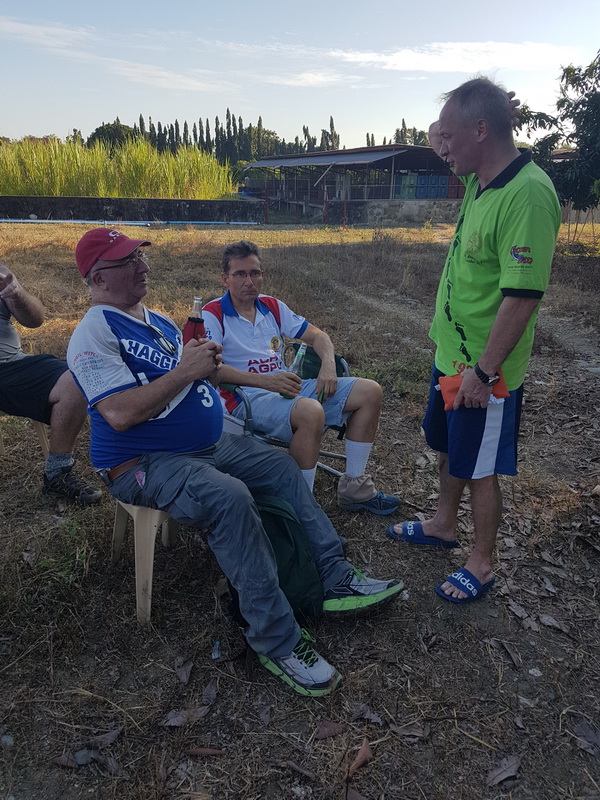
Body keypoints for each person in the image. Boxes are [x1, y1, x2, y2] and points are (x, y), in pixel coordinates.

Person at [67, 227, 404, 697]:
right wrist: (187, 371)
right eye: (128, 262)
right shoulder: (93, 332)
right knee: (230, 498)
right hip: (142, 461)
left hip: (203, 445)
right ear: (99, 277)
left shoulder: (159, 322)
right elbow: (119, 414)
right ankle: (276, 638)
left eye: (140, 257)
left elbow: (199, 375)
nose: (143, 266)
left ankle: (333, 575)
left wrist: (204, 368)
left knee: (280, 468)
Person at [388, 78, 561, 604]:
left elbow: (522, 298)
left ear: (481, 130)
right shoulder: (479, 177)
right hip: (451, 354)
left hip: (486, 369)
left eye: (450, 136)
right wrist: (453, 127)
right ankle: (444, 524)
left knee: (481, 468)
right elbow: (440, 135)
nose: (441, 147)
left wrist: (483, 374)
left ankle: (481, 563)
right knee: (448, 446)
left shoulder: (527, 194)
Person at [202, 240, 399, 514]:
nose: (249, 281)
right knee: (310, 411)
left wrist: (328, 365)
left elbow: (319, 336)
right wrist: (267, 381)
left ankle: (355, 488)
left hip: (286, 388)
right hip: (245, 397)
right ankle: (301, 507)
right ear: (225, 278)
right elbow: (210, 369)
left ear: (262, 275)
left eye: (255, 273)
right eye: (240, 274)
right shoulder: (213, 314)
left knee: (370, 391)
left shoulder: (271, 306)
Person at [0, 262, 102, 505]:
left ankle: (57, 473)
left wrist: (16, 294)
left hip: (11, 365)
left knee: (76, 378)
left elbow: (35, 319)